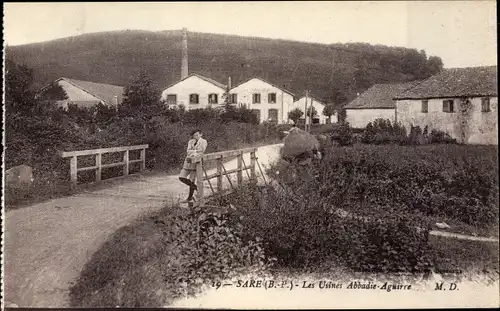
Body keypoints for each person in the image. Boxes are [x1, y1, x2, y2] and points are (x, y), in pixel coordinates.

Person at [179, 129, 207, 203]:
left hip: (196, 164)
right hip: (188, 162)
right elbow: (188, 151)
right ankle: (197, 188)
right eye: (194, 135)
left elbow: (202, 151)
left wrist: (193, 152)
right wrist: (195, 152)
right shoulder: (190, 141)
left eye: (197, 135)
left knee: (192, 180)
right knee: (181, 177)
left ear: (201, 134)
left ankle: (189, 198)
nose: (196, 136)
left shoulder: (204, 141)